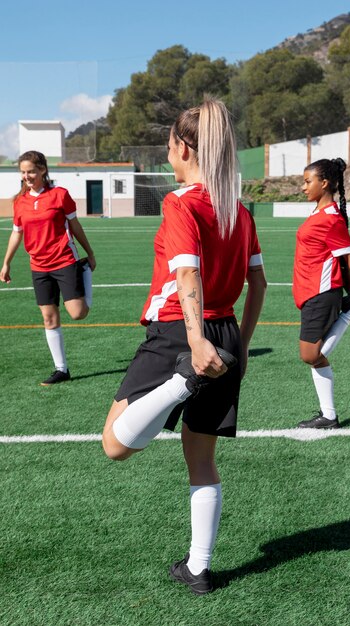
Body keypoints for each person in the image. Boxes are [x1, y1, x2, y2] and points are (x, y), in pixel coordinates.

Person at [102, 98, 267, 595]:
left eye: (170, 146)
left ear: (185, 148)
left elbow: (187, 271)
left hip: (180, 335)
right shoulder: (238, 209)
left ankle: (180, 383)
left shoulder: (181, 202)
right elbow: (258, 285)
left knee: (114, 445)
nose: (167, 155)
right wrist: (236, 345)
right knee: (201, 460)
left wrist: (194, 346)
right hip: (225, 337)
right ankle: (199, 569)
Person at [0, 150, 96, 385]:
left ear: (42, 170)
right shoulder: (20, 202)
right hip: (39, 266)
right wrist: (6, 263)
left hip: (64, 259)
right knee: (49, 318)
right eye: (23, 172)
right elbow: (16, 234)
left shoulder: (60, 195)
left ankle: (82, 272)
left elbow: (75, 225)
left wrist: (89, 253)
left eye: (31, 171)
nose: (27, 176)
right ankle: (61, 369)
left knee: (78, 313)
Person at [293, 157, 350, 429]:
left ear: (324, 183)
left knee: (310, 356)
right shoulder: (318, 213)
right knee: (311, 356)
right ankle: (329, 417)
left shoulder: (331, 217)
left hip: (322, 292)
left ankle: (348, 312)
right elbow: (338, 257)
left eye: (307, 181)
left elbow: (347, 255)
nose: (303, 187)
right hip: (311, 292)